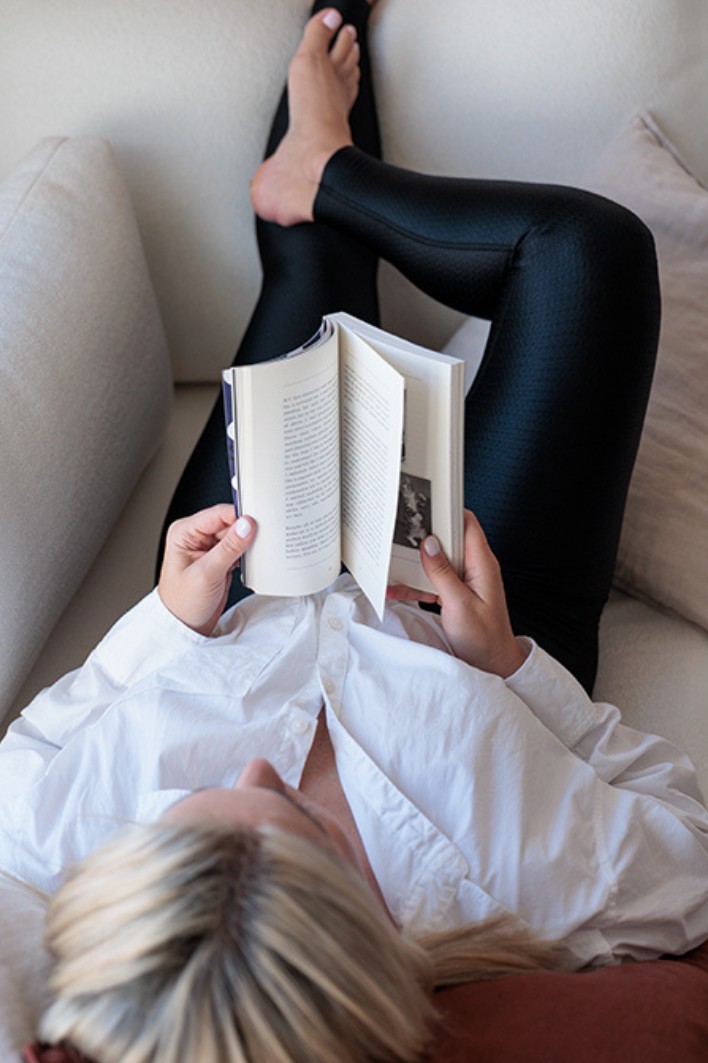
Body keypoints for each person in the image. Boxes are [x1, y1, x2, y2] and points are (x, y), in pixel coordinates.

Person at [3, 3, 708, 1062]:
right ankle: (324, 167)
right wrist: (512, 667)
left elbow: (34, 762)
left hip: (235, 597)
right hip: (472, 619)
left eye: (192, 810)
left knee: (315, 281)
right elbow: (688, 840)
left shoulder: (51, 859)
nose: (252, 774)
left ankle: (316, 174)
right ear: (369, 929)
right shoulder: (542, 882)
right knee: (587, 253)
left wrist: (166, 624)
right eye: (308, 827)